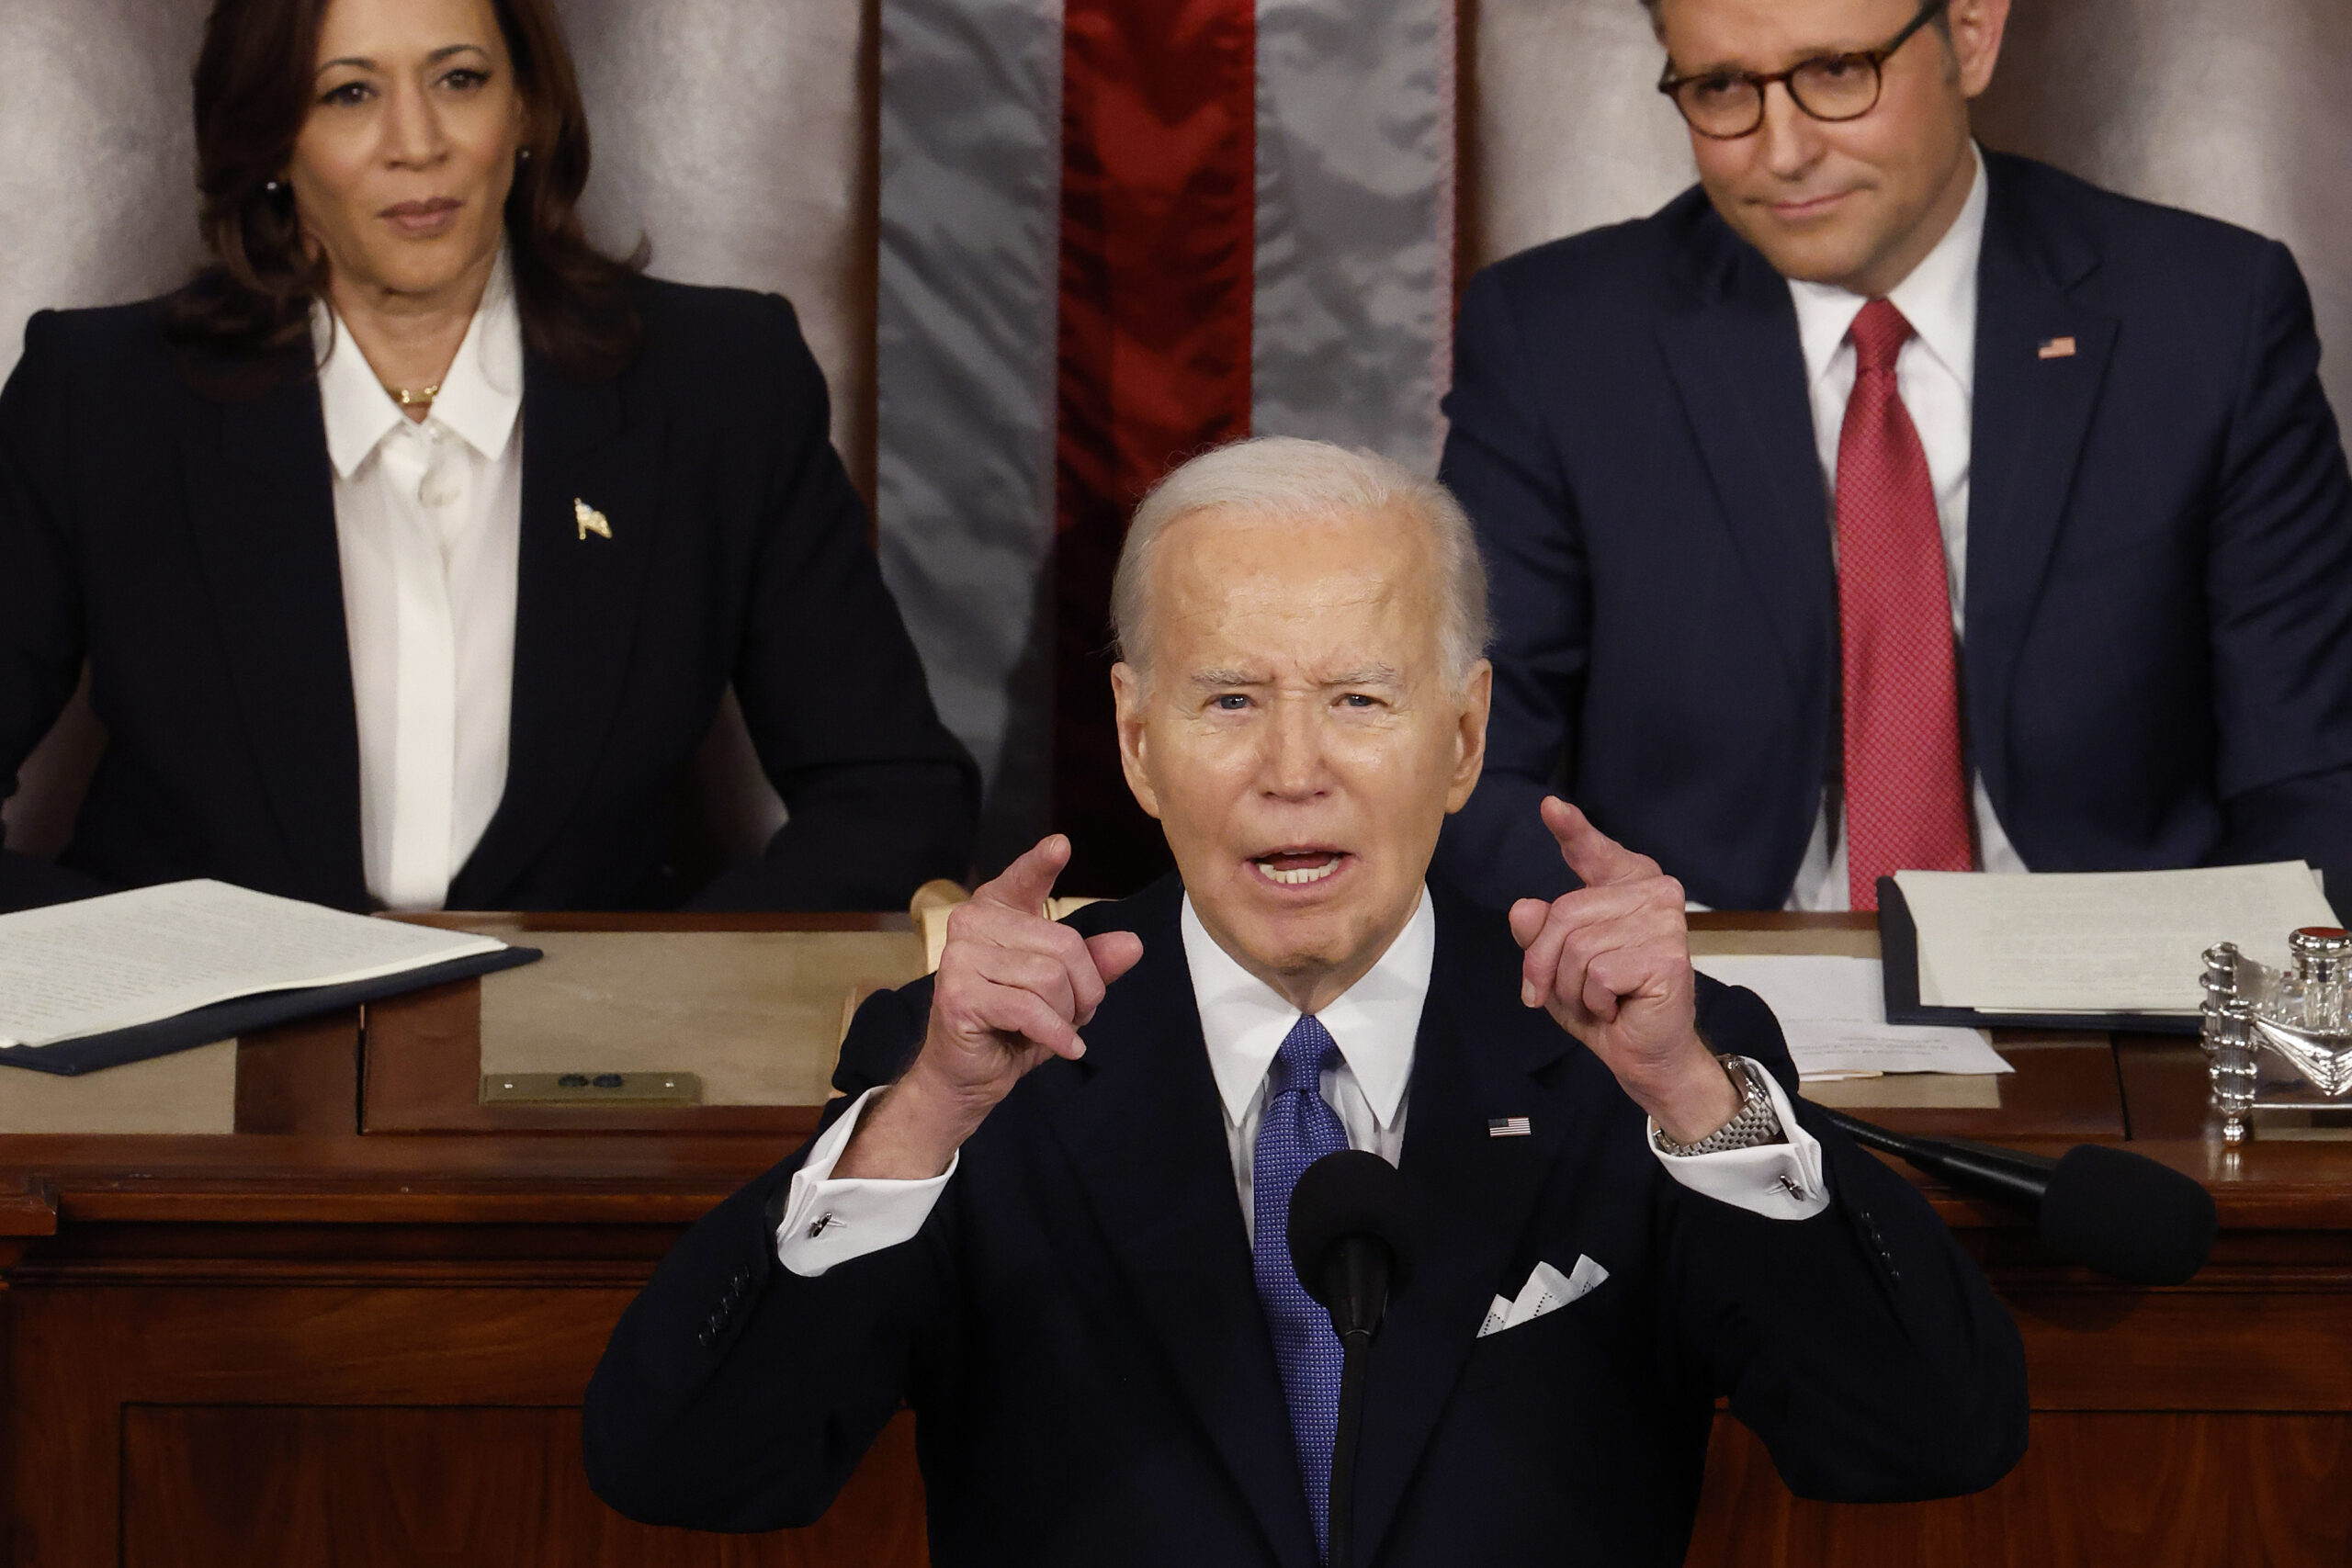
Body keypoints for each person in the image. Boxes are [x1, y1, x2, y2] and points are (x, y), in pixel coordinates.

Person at [582, 438, 2026, 1564]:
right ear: (1136, 741)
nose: (1293, 770)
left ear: (1462, 737)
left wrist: (1694, 1098)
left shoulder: (1640, 1052)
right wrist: (922, 1120)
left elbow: (1929, 1437)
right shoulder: (967, 1065)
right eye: (1229, 700)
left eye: (1358, 699)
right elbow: (686, 1466)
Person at [0, 0, 976, 915]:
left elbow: (894, 798)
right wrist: (138, 975)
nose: (416, 142)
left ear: (525, 109)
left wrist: (654, 990)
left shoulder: (720, 387)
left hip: (583, 1037)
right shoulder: (100, 402)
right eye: (350, 93)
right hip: (198, 1029)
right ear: (271, 139)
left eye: (458, 79)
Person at [1437, 0, 2352, 914]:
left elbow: (2312, 771)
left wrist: (2221, 990)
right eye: (1721, 87)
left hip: (2115, 968)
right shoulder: (1557, 341)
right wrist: (1617, 944)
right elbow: (1462, 764)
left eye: (1837, 72)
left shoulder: (2209, 318)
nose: (1783, 152)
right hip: (1699, 964)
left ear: (1970, 36)